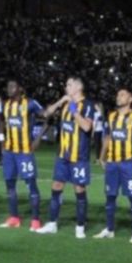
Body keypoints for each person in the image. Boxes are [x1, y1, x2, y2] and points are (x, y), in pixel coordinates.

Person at [38, 76, 94, 238]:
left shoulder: (87, 105)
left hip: (79, 156)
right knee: (56, 186)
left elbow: (86, 126)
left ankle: (80, 226)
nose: (66, 87)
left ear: (78, 87)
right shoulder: (64, 104)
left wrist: (73, 108)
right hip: (63, 155)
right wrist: (60, 102)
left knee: (79, 189)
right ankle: (52, 223)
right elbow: (46, 114)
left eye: (69, 85)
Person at [0, 78, 45, 230]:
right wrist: (1, 139)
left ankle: (35, 220)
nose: (9, 89)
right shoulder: (5, 105)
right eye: (8, 86)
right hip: (9, 152)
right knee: (10, 184)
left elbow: (48, 116)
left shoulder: (30, 103)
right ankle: (14, 217)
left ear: (20, 88)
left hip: (25, 152)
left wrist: (38, 138)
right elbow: (1, 120)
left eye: (13, 86)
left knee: (31, 185)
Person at [95, 87, 132, 243]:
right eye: (118, 95)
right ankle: (109, 229)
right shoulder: (111, 116)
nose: (118, 97)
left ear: (130, 99)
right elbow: (107, 137)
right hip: (112, 164)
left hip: (128, 164)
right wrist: (101, 157)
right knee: (110, 196)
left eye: (122, 95)